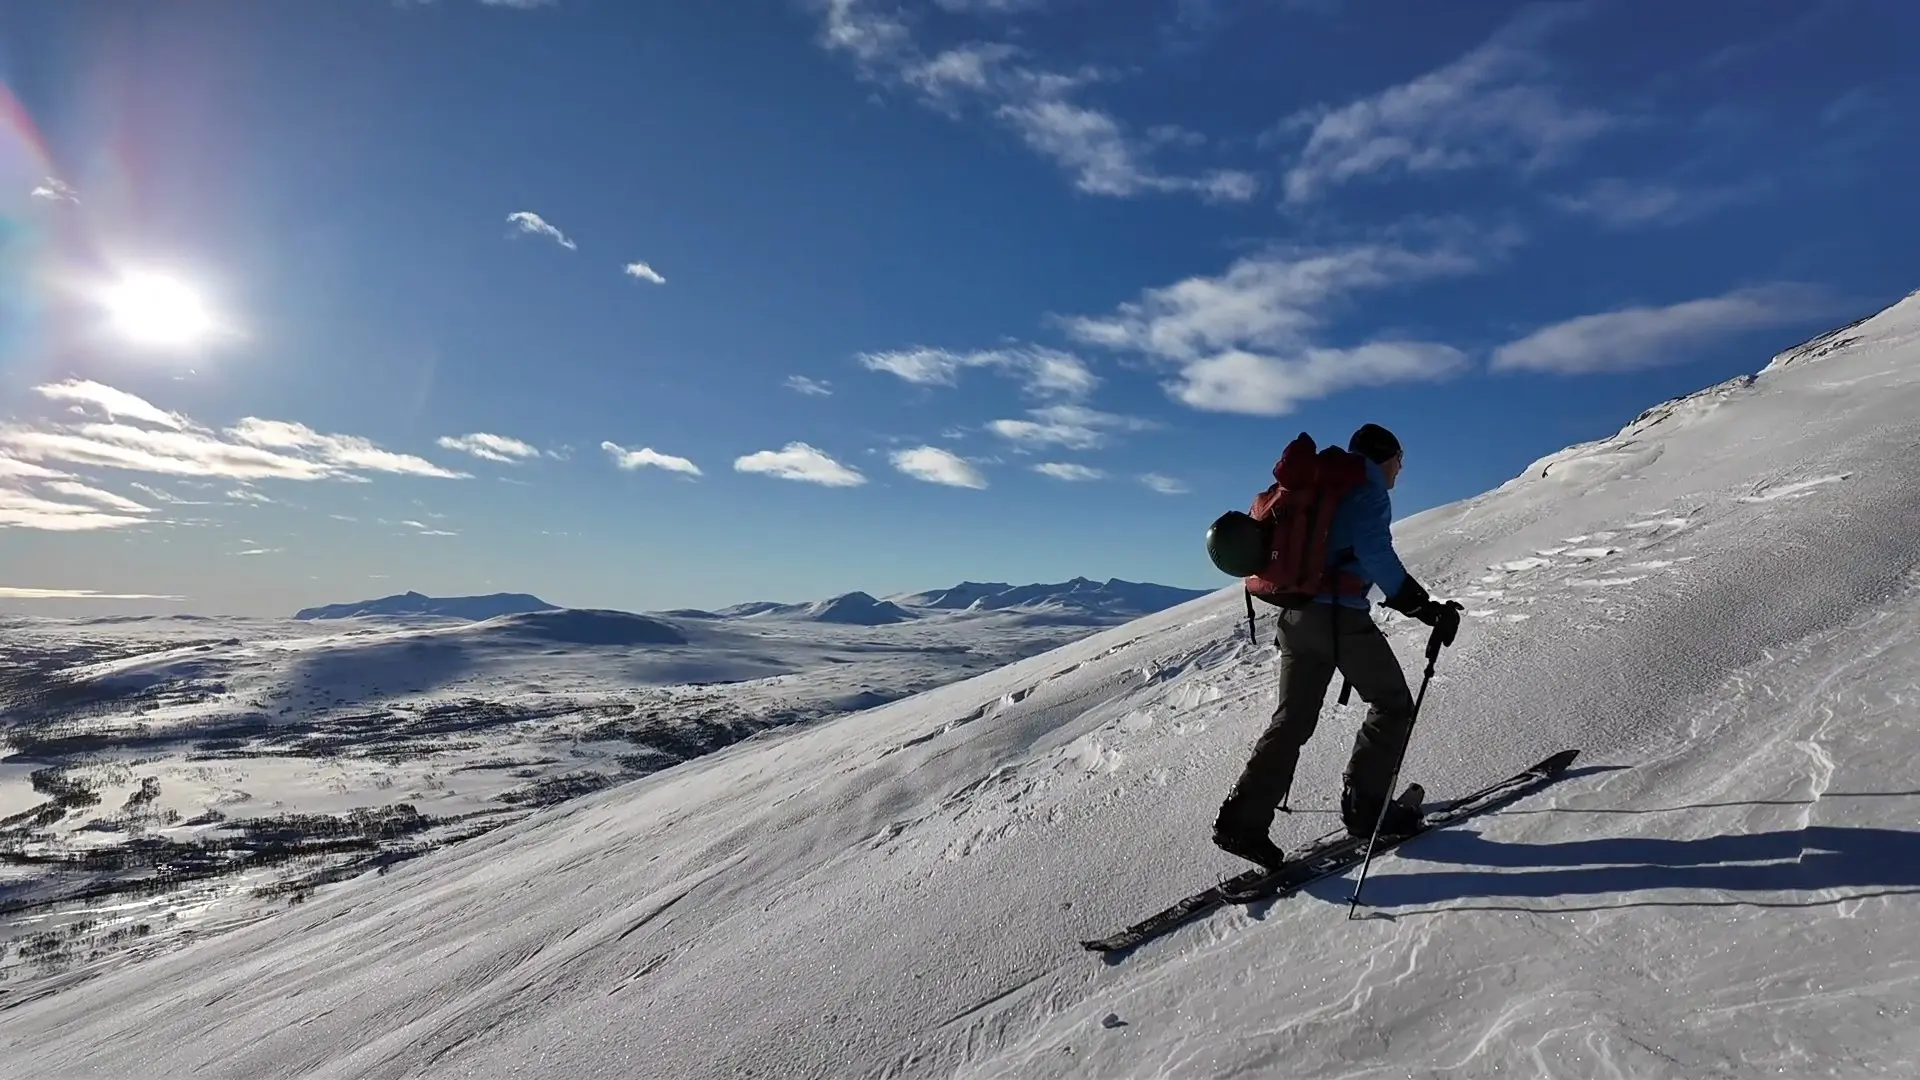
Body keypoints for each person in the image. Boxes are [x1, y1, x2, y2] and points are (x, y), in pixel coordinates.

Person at [1211, 423, 1462, 870]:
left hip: (1294, 617)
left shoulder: (1322, 485)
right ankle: (1365, 810)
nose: (1399, 472)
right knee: (1392, 704)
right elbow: (1375, 554)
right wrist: (1424, 608)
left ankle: (1241, 821)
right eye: (1399, 462)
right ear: (1383, 457)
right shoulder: (1366, 491)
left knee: (1291, 721)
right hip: (1338, 618)